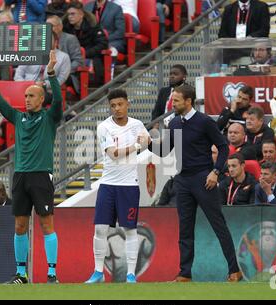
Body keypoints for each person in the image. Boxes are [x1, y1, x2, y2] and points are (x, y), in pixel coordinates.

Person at [0, 50, 62, 284]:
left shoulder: (49, 118)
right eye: (25, 95)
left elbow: (57, 100)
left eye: (31, 96)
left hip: (40, 176)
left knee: (46, 223)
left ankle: (52, 273)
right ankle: (21, 274)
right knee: (19, 225)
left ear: (41, 100)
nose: (27, 99)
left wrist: (52, 74)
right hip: (20, 176)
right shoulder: (18, 118)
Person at [149, 84, 242, 282]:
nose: (172, 104)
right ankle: (185, 274)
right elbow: (165, 150)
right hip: (182, 179)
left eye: (176, 100)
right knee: (185, 228)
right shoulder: (173, 123)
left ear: (188, 101)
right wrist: (147, 144)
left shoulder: (204, 122)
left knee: (219, 225)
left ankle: (234, 270)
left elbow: (223, 147)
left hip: (203, 178)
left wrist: (215, 172)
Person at [85, 89, 150, 284]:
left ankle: (131, 274)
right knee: (100, 229)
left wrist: (146, 141)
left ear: (127, 104)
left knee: (130, 230)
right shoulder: (104, 127)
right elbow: (113, 154)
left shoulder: (137, 124)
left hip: (129, 185)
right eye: (113, 105)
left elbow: (149, 142)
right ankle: (98, 272)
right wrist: (138, 146)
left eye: (120, 104)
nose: (117, 109)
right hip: (108, 184)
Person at [63, 1, 108, 87]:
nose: (70, 17)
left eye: (73, 14)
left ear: (81, 14)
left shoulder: (93, 25)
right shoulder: (65, 27)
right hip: (71, 59)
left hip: (90, 57)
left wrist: (85, 53)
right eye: (68, 14)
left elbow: (102, 44)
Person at [47, 15, 84, 95]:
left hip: (68, 73)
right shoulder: (43, 40)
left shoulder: (70, 39)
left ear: (60, 27)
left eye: (51, 26)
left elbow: (78, 61)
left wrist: (64, 69)